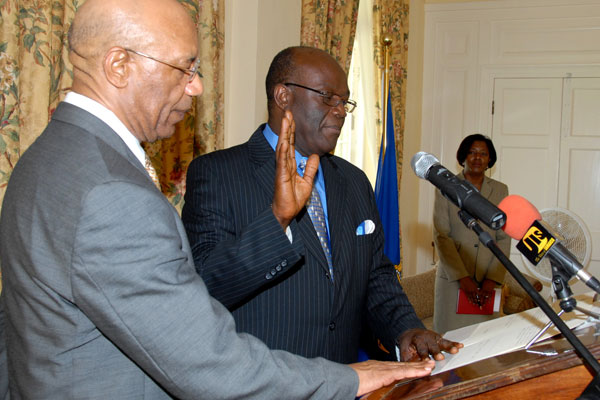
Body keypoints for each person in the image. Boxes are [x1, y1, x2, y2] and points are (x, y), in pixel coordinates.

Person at [0, 0, 439, 398]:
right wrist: (354, 377)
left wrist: (402, 329)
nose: (196, 88)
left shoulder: (45, 158)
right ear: (118, 65)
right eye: (184, 69)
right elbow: (204, 355)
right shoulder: (114, 193)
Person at [182, 46, 462, 364]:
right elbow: (205, 286)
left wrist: (405, 331)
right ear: (283, 96)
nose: (340, 110)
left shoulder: (354, 181)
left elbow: (376, 276)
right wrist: (278, 220)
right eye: (328, 97)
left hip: (343, 381)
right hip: (262, 383)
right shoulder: (218, 173)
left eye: (344, 102)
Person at [433, 134, 511, 333]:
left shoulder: (501, 190)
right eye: (472, 152)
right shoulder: (446, 187)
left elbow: (503, 238)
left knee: (484, 345)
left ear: (489, 160)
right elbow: (442, 235)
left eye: (483, 154)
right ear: (463, 157)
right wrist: (463, 278)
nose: (477, 158)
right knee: (448, 344)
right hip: (454, 280)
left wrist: (491, 280)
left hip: (487, 283)